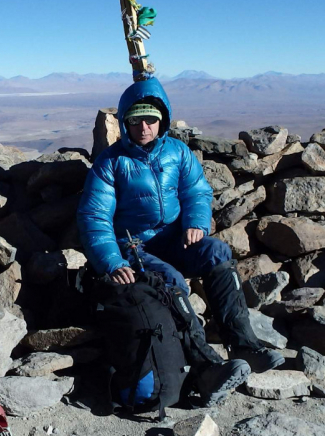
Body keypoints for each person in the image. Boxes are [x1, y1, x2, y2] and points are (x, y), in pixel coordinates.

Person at [77, 78, 284, 402]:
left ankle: (243, 343)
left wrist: (197, 223)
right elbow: (95, 218)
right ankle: (205, 367)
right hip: (135, 246)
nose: (144, 127)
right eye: (135, 120)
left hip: (176, 239)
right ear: (125, 122)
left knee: (216, 250)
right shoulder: (111, 163)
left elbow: (197, 192)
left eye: (151, 119)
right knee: (168, 279)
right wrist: (113, 261)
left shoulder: (177, 152)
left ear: (163, 120)